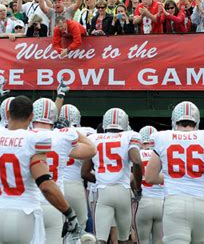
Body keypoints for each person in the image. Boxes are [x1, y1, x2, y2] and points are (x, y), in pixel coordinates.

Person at [0, 95, 93, 243]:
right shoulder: (42, 140)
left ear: (9, 114)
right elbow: (90, 150)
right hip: (34, 209)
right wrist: (70, 130)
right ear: (30, 116)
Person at [145, 101, 204, 244]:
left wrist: (171, 175)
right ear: (196, 121)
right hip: (202, 205)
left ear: (175, 121)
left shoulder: (163, 137)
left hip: (175, 204)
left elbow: (150, 177)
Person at [30, 98, 96, 243]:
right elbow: (91, 149)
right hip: (54, 203)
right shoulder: (63, 137)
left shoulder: (22, 135)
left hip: (27, 204)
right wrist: (74, 132)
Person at [81, 108, 143, 244]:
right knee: (124, 238)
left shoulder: (93, 138)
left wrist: (103, 177)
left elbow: (84, 173)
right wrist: (138, 187)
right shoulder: (130, 136)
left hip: (103, 191)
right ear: (125, 124)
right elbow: (137, 162)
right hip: (123, 191)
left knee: (100, 239)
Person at [60, 104, 97, 231]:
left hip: (56, 184)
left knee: (58, 225)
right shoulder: (88, 132)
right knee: (81, 224)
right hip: (75, 185)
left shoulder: (52, 132)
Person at [134, 125, 164, 244]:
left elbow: (132, 179)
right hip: (162, 202)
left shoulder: (138, 154)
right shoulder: (162, 154)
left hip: (144, 201)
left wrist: (136, 191)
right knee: (159, 241)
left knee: (143, 240)